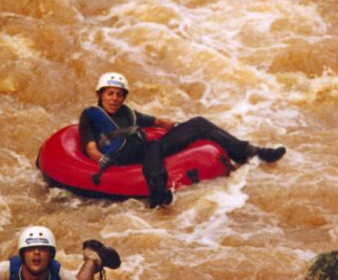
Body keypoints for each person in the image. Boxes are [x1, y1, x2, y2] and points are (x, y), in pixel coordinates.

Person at [79, 72, 286, 209]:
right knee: (154, 144)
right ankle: (158, 192)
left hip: (148, 149)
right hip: (119, 157)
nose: (115, 99)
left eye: (119, 95)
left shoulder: (127, 112)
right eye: (110, 94)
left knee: (198, 123)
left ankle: (249, 152)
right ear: (100, 94)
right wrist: (100, 159)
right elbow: (90, 147)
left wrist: (181, 127)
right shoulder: (90, 115)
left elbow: (159, 122)